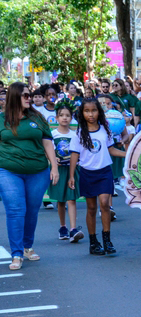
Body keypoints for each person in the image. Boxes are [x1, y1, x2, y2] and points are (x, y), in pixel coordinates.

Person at [0, 83, 60, 270]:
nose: (30, 98)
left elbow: (47, 143)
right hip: (8, 170)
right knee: (16, 210)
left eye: (30, 95)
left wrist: (54, 167)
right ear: (14, 97)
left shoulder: (37, 117)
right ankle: (16, 254)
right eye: (25, 95)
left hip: (38, 172)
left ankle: (27, 247)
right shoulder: (1, 119)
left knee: (32, 211)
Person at [68, 98, 126, 256]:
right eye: (87, 111)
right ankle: (93, 243)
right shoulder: (79, 133)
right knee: (91, 208)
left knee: (105, 203)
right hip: (87, 173)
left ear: (99, 112)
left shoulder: (105, 130)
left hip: (104, 171)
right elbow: (74, 155)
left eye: (93, 110)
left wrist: (128, 154)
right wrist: (71, 176)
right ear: (82, 113)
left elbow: (111, 150)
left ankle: (107, 240)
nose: (90, 114)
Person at [49, 101, 84, 243]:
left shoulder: (75, 135)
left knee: (71, 199)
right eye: (61, 115)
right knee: (61, 200)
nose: (64, 118)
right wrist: (53, 160)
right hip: (59, 170)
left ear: (71, 118)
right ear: (56, 118)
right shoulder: (53, 134)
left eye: (67, 115)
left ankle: (73, 229)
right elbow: (48, 150)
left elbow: (79, 152)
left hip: (72, 170)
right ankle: (63, 227)